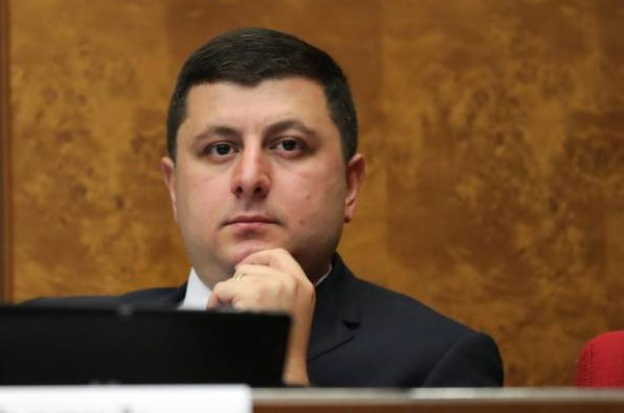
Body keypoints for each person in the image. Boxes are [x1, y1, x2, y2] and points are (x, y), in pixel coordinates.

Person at [42, 27, 503, 387]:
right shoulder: (56, 344)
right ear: (174, 188)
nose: (249, 178)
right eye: (220, 149)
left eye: (288, 145)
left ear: (350, 185)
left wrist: (282, 372)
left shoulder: (437, 364)